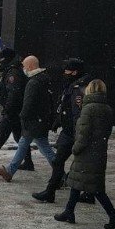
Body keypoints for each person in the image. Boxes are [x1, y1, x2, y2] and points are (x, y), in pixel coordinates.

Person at [53, 79, 115, 229]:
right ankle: (69, 211)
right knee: (78, 183)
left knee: (93, 188)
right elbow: (106, 132)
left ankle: (114, 215)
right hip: (98, 153)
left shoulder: (88, 109)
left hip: (86, 153)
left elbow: (83, 133)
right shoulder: (106, 109)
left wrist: (76, 148)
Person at [33, 58, 93, 204]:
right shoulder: (72, 85)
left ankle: (88, 194)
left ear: (74, 72)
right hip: (68, 131)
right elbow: (65, 106)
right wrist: (58, 121)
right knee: (59, 161)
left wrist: (76, 134)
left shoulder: (80, 89)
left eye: (66, 70)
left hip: (74, 133)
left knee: (82, 165)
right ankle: (50, 191)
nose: (64, 73)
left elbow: (77, 114)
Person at [0, 55, 56, 182]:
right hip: (39, 121)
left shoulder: (33, 82)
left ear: (31, 66)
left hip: (33, 121)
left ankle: (10, 171)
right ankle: (61, 174)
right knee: (43, 148)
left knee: (27, 145)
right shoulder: (43, 79)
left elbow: (28, 103)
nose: (23, 69)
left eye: (25, 66)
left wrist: (23, 116)